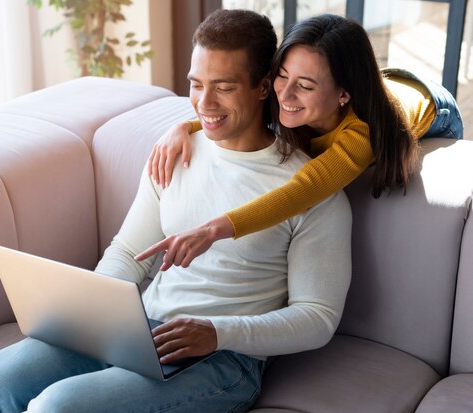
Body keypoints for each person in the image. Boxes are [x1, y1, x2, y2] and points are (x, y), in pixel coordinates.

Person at [0, 9, 352, 413]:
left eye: (224, 88)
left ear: (263, 86)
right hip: (138, 331)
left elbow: (317, 317)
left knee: (59, 409)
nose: (204, 103)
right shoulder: (174, 153)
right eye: (195, 85)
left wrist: (215, 333)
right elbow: (128, 251)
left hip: (224, 359)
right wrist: (95, 313)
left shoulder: (313, 192)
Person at [138, 13, 463, 272]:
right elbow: (236, 110)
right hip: (376, 80)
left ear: (343, 94)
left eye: (304, 85)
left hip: (433, 105)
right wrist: (184, 126)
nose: (286, 94)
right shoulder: (284, 92)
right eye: (282, 76)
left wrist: (211, 230)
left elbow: (302, 190)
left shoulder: (361, 133)